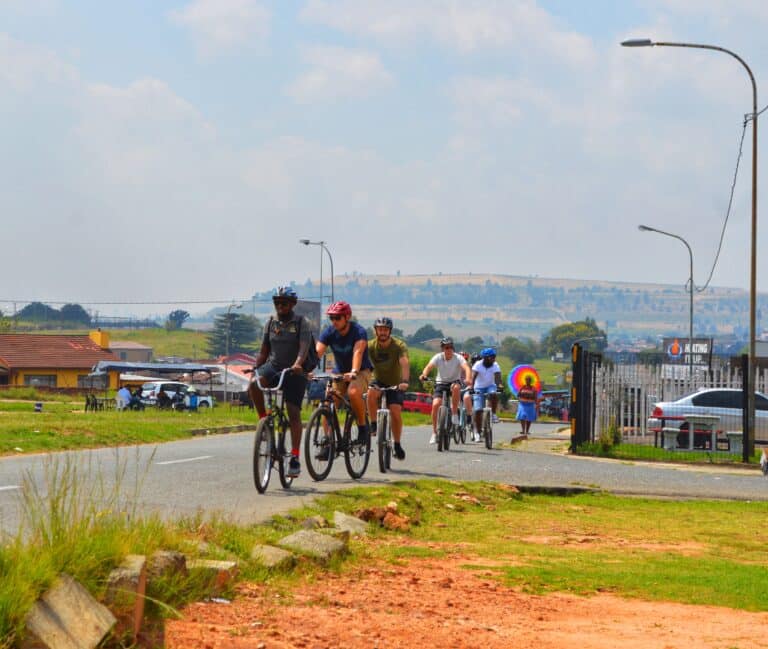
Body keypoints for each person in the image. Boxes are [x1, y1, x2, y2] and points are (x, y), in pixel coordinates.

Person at [248, 286, 311, 479]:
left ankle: (294, 457)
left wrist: (298, 364)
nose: (280, 306)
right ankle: (263, 421)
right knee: (253, 383)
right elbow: (264, 351)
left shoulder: (301, 323)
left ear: (292, 304)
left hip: (294, 370)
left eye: (284, 303)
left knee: (293, 412)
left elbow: (304, 347)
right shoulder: (270, 323)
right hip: (274, 367)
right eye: (277, 302)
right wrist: (255, 367)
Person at [316, 301, 373, 445]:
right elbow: (317, 353)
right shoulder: (329, 332)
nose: (334, 321)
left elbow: (358, 352)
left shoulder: (359, 331)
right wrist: (304, 369)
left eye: (337, 318)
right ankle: (327, 441)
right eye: (331, 318)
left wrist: (353, 371)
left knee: (353, 393)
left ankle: (362, 428)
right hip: (340, 372)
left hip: (360, 371)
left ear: (347, 317)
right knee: (328, 401)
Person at [367, 317, 410, 461]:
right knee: (371, 393)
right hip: (378, 380)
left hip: (395, 383)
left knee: (395, 412)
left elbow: (404, 362)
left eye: (385, 330)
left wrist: (404, 381)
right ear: (376, 331)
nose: (383, 332)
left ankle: (397, 444)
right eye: (380, 329)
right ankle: (373, 424)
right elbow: (362, 360)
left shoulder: (399, 346)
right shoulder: (371, 346)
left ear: (390, 331)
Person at [419, 337, 472, 445]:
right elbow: (429, 367)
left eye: (451, 347)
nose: (449, 350)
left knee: (457, 387)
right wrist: (424, 374)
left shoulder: (458, 358)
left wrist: (468, 378)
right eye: (446, 347)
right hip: (441, 383)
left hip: (454, 382)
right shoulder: (438, 357)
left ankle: (454, 414)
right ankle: (434, 432)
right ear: (442, 349)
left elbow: (466, 367)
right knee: (435, 405)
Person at [471, 347, 503, 442]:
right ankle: (478, 432)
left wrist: (500, 385)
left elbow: (497, 377)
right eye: (492, 357)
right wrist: (472, 388)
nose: (494, 359)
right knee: (478, 410)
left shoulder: (495, 365)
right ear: (486, 358)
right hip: (478, 387)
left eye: (494, 356)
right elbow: (473, 377)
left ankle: (493, 414)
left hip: (490, 386)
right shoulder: (478, 364)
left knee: (493, 393)